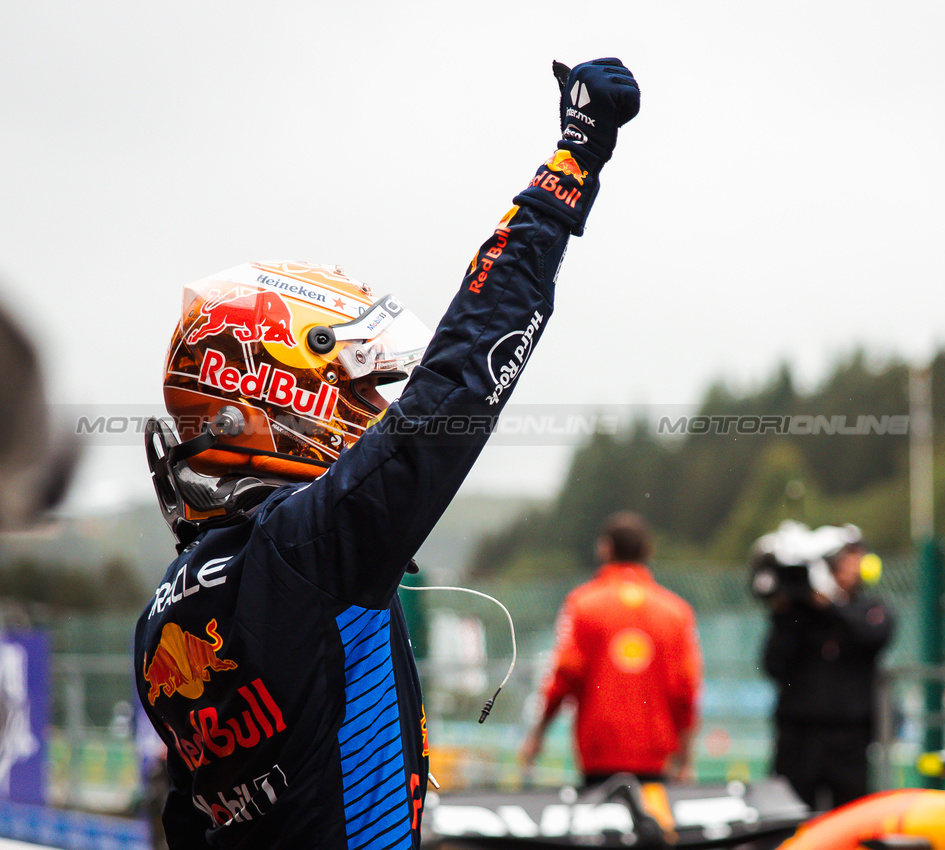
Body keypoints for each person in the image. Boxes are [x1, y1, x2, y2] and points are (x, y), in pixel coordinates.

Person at [132, 58, 640, 848]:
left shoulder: (163, 609)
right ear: (278, 389)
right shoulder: (307, 552)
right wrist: (569, 168)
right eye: (359, 389)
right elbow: (463, 373)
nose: (373, 412)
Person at [519, 511, 701, 786]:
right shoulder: (676, 612)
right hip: (655, 758)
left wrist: (538, 735)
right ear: (648, 551)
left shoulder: (582, 604)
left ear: (605, 548)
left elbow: (564, 678)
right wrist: (686, 758)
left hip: (599, 755)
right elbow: (686, 689)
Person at [758, 523, 894, 811]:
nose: (852, 567)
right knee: (790, 819)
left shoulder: (869, 609)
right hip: (798, 737)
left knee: (849, 820)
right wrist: (789, 611)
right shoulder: (798, 616)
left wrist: (830, 603)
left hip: (849, 739)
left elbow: (874, 636)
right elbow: (774, 665)